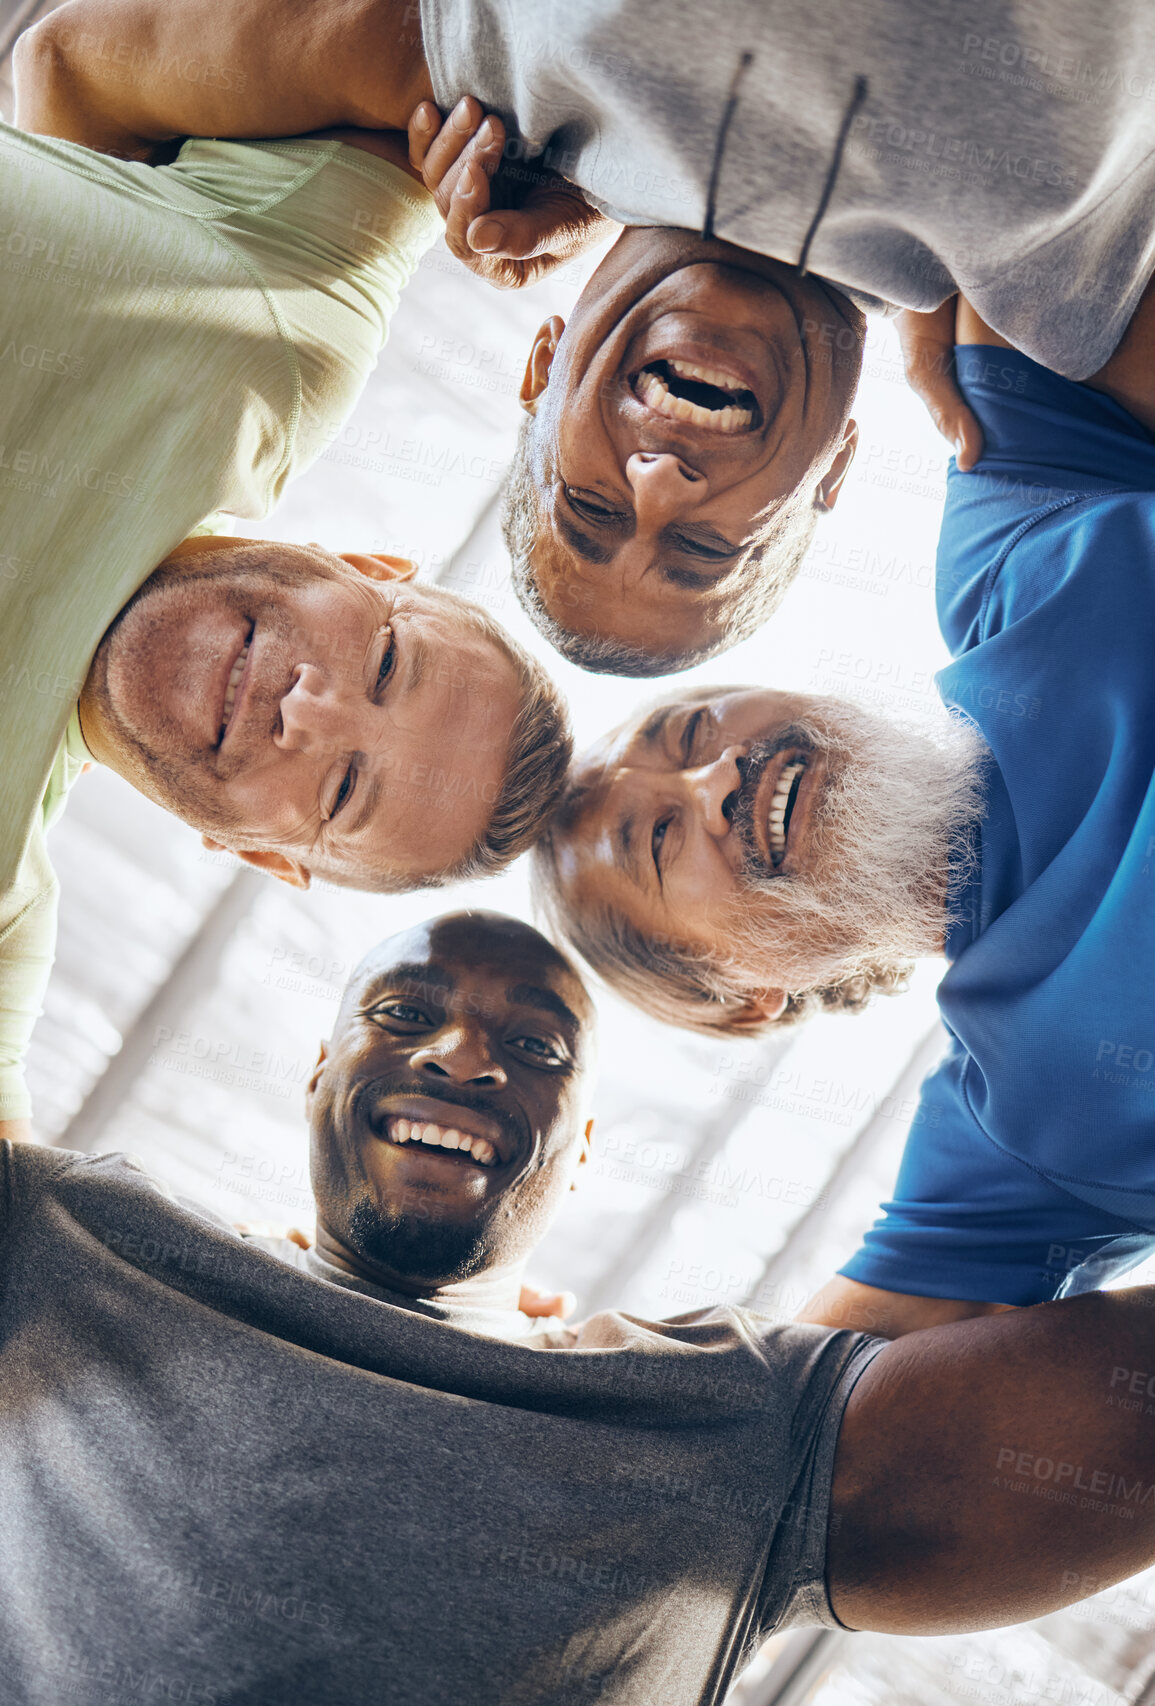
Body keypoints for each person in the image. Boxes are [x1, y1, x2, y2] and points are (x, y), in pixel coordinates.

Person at [7, 906, 1155, 1706]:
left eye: (534, 1048)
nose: (460, 1056)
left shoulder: (723, 1417)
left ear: (582, 1151)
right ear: (320, 1073)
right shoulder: (78, 1242)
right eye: (405, 1010)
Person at [18, 0, 1155, 672]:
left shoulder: (472, 83)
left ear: (541, 364)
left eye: (593, 506)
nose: (659, 484)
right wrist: (958, 300)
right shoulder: (1065, 295)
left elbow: (68, 66)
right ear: (836, 472)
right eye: (705, 549)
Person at [534, 299, 1155, 1330]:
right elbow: (779, 1401)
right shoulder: (1014, 1137)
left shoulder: (1004, 566)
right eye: (659, 841)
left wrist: (927, 282)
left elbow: (1029, 233)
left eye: (691, 732)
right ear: (742, 995)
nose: (719, 779)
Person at [0, 104, 571, 1140]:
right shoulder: (285, 324)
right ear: (368, 565)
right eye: (388, 662)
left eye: (344, 785)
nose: (308, 709)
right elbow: (435, 60)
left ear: (259, 853)